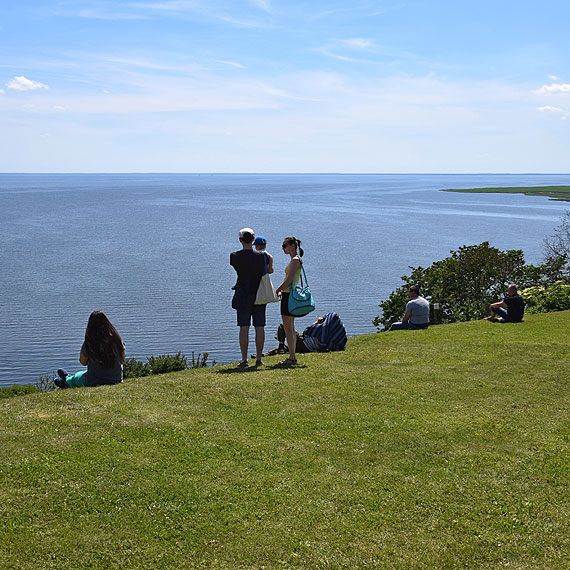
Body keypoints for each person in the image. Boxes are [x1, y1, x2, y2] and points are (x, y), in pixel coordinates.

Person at [54, 310, 125, 388]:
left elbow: (83, 362)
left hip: (94, 381)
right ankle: (66, 378)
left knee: (78, 377)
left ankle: (65, 381)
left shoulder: (90, 342)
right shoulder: (117, 340)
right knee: (82, 374)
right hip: (116, 379)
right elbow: (122, 359)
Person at [230, 227, 267, 368]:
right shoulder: (261, 257)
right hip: (258, 295)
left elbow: (236, 266)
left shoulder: (234, 256)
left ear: (240, 240)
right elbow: (268, 267)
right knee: (259, 327)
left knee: (244, 328)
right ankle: (258, 358)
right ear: (253, 239)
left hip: (243, 294)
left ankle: (244, 359)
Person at [275, 236, 305, 365]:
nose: (283, 248)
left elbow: (289, 280)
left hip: (288, 296)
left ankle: (292, 357)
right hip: (288, 294)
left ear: (292, 246)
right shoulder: (295, 260)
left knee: (288, 329)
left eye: (285, 246)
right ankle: (292, 356)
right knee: (290, 328)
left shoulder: (294, 260)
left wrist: (278, 289)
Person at [269, 312, 347, 355]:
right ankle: (265, 354)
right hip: (307, 347)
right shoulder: (330, 336)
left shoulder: (320, 330)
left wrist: (316, 322)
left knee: (283, 325)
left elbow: (307, 331)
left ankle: (281, 345)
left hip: (303, 343)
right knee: (286, 348)